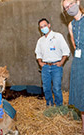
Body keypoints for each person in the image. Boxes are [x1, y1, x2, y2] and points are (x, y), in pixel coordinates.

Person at [35, 18, 70, 107]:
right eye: (41, 27)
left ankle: (59, 106)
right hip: (45, 67)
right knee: (46, 88)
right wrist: (40, 62)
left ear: (49, 25)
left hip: (56, 66)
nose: (43, 28)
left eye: (45, 26)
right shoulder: (40, 40)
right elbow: (38, 53)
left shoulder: (58, 36)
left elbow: (66, 51)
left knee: (56, 88)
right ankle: (49, 105)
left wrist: (61, 62)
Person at [61, 0, 84, 132]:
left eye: (71, 4)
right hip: (80, 62)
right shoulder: (71, 25)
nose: (69, 8)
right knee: (82, 95)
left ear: (78, 2)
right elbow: (75, 45)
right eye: (66, 7)